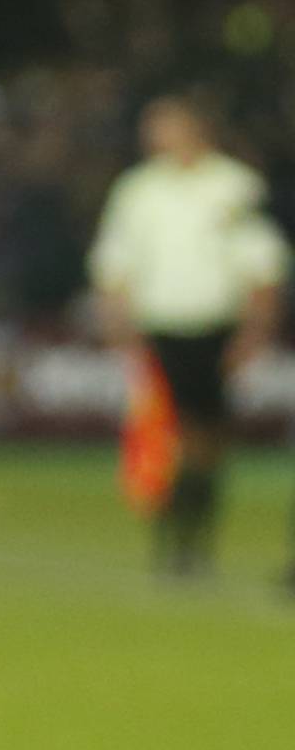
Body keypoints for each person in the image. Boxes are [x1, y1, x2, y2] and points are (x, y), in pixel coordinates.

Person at [88, 95, 288, 575]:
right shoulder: (138, 190)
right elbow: (115, 263)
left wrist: (255, 330)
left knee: (207, 437)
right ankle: (173, 541)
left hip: (215, 325)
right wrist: (116, 322)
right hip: (159, 327)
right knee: (166, 434)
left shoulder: (234, 186)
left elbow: (263, 264)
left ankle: (195, 538)